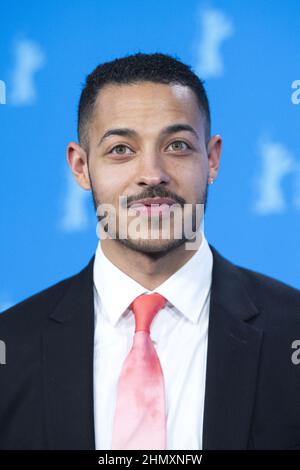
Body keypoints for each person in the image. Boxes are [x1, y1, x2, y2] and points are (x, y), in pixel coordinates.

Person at [0, 52, 300, 451]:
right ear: (80, 167)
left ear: (212, 159)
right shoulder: (11, 346)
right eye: (121, 149)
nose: (152, 174)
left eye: (177, 145)